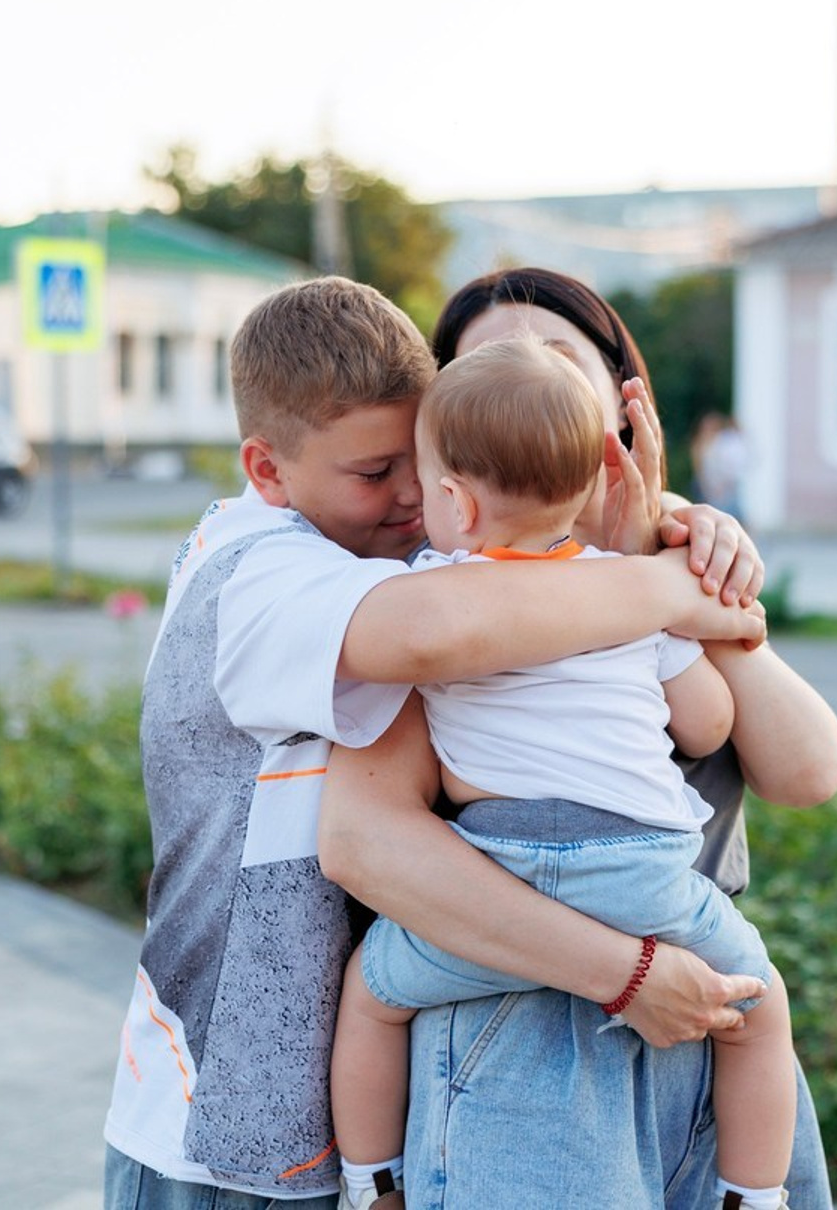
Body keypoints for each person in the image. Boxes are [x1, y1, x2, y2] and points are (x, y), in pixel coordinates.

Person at [101, 276, 769, 1209]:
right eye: (375, 474)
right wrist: (669, 589)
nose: (414, 498)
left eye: (420, 461)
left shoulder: (372, 557)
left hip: (324, 1124)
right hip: (219, 1128)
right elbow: (437, 630)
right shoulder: (259, 572)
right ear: (267, 470)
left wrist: (666, 535)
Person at [321, 267, 837, 1208]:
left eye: (550, 369)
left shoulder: (671, 562)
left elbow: (807, 770)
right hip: (526, 1036)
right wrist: (629, 972)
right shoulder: (430, 595)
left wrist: (672, 575)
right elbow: (362, 836)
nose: (515, 404)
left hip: (700, 1053)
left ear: (620, 407)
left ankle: (373, 1184)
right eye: (479, 381)